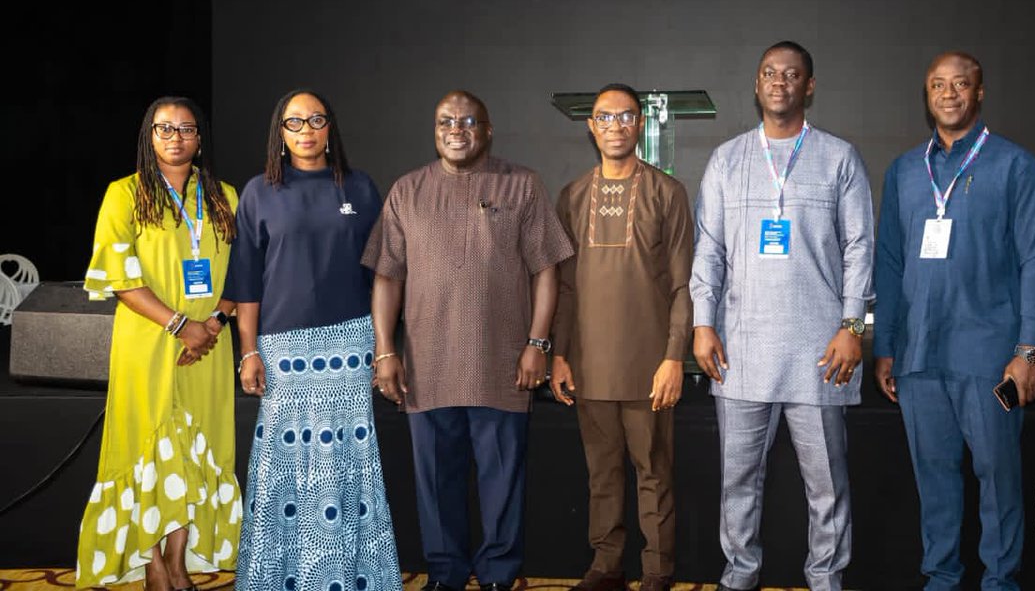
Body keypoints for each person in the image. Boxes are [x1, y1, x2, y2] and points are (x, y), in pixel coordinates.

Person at [362, 90, 574, 591]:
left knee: (502, 482)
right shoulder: (407, 190)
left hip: (502, 366)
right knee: (437, 483)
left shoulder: (521, 185)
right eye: (445, 122)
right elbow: (387, 278)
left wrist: (537, 344)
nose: (456, 130)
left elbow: (547, 269)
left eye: (467, 121)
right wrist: (385, 351)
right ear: (434, 130)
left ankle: (500, 573)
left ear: (488, 129)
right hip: (426, 366)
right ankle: (446, 573)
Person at [690, 41, 875, 591]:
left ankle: (825, 579)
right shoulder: (727, 159)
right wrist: (702, 321)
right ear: (756, 84)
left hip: (821, 353)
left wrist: (854, 327)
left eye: (791, 74)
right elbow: (708, 249)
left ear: (809, 86)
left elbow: (860, 248)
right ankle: (740, 575)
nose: (779, 82)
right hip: (741, 352)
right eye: (769, 73)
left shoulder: (839, 157)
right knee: (738, 481)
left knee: (827, 487)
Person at [872, 51, 1035, 591]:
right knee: (934, 480)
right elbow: (889, 262)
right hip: (919, 356)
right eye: (937, 84)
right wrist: (886, 345)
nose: (948, 93)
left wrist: (1029, 352)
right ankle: (942, 578)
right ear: (926, 95)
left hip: (989, 357)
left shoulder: (1013, 165)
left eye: (960, 84)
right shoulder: (906, 171)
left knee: (997, 478)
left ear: (979, 93)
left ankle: (1000, 581)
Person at [225, 89, 401, 591]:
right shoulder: (258, 192)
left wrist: (384, 347)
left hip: (350, 346)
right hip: (283, 352)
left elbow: (384, 277)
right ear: (279, 134)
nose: (306, 130)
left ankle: (352, 577)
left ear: (330, 128)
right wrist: (249, 350)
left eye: (316, 119)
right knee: (285, 469)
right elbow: (247, 282)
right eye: (294, 121)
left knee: (347, 467)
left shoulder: (362, 188)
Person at [78, 96, 240, 590]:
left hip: (207, 349)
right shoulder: (123, 195)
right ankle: (153, 565)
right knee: (146, 451)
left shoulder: (226, 197)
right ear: (149, 137)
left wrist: (210, 326)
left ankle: (177, 560)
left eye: (186, 129)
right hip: (146, 343)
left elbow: (247, 273)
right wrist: (180, 326)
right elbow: (119, 279)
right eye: (164, 129)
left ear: (200, 137)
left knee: (193, 451)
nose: (175, 137)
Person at [550, 84, 694, 591]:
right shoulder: (571, 196)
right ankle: (607, 565)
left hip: (648, 366)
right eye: (604, 117)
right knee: (602, 474)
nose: (614, 125)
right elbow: (564, 286)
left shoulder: (666, 193)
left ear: (639, 125)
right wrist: (559, 354)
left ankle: (657, 570)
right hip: (589, 365)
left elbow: (682, 285)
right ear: (591, 127)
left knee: (653, 473)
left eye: (625, 116)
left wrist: (674, 357)